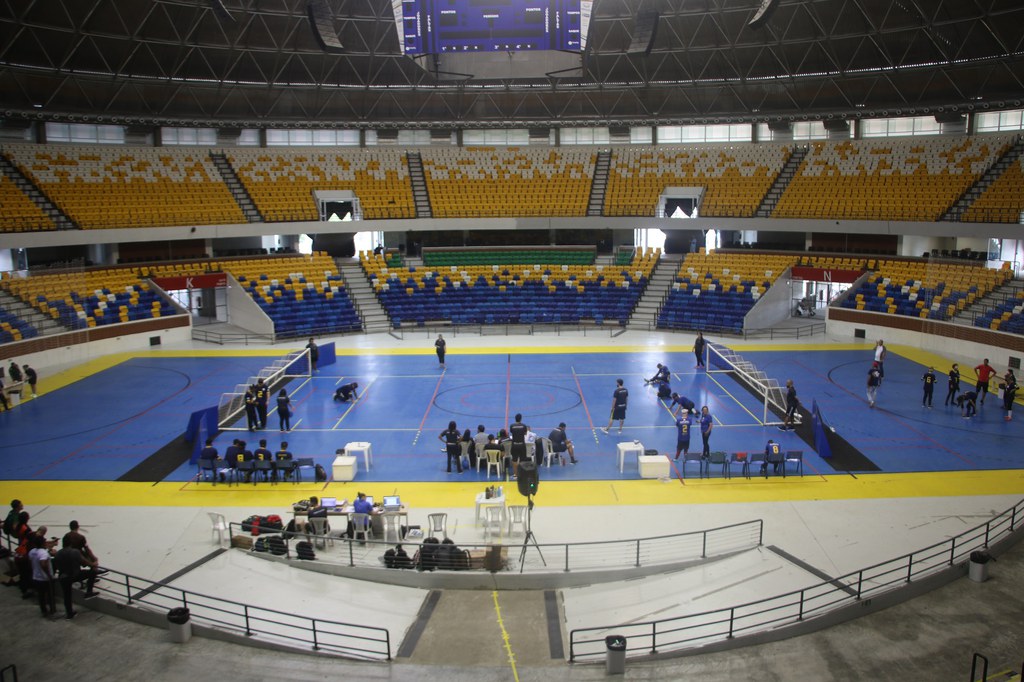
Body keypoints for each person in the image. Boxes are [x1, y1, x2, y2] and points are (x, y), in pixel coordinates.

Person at [53, 535, 100, 619]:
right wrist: (94, 564)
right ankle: (89, 592)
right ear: (70, 544)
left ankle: (69, 613)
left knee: (67, 596)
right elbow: (85, 563)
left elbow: (55, 565)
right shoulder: (75, 552)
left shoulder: (58, 553)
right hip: (74, 575)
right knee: (93, 572)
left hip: (63, 577)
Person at [29, 534, 55, 618]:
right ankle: (52, 611)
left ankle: (44, 611)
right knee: (50, 594)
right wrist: (48, 574)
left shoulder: (32, 552)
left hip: (36, 576)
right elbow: (43, 564)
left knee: (41, 595)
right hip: (44, 578)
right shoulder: (43, 553)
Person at [508, 413, 529, 478]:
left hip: (514, 445)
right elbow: (525, 433)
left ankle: (515, 474)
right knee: (522, 460)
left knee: (514, 460)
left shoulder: (512, 426)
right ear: (521, 419)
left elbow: (512, 432)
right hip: (522, 445)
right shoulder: (524, 426)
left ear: (515, 418)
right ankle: (521, 474)